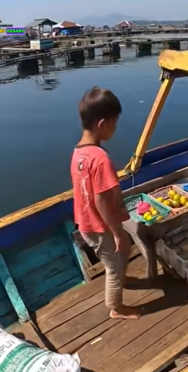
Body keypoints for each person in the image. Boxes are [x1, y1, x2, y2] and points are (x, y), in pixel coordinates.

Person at [71, 87, 141, 320]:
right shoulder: (100, 159)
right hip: (100, 226)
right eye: (115, 122)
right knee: (114, 264)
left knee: (120, 254)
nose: (116, 127)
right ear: (102, 124)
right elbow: (101, 201)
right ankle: (116, 307)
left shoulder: (79, 153)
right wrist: (117, 231)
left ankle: (122, 279)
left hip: (85, 222)